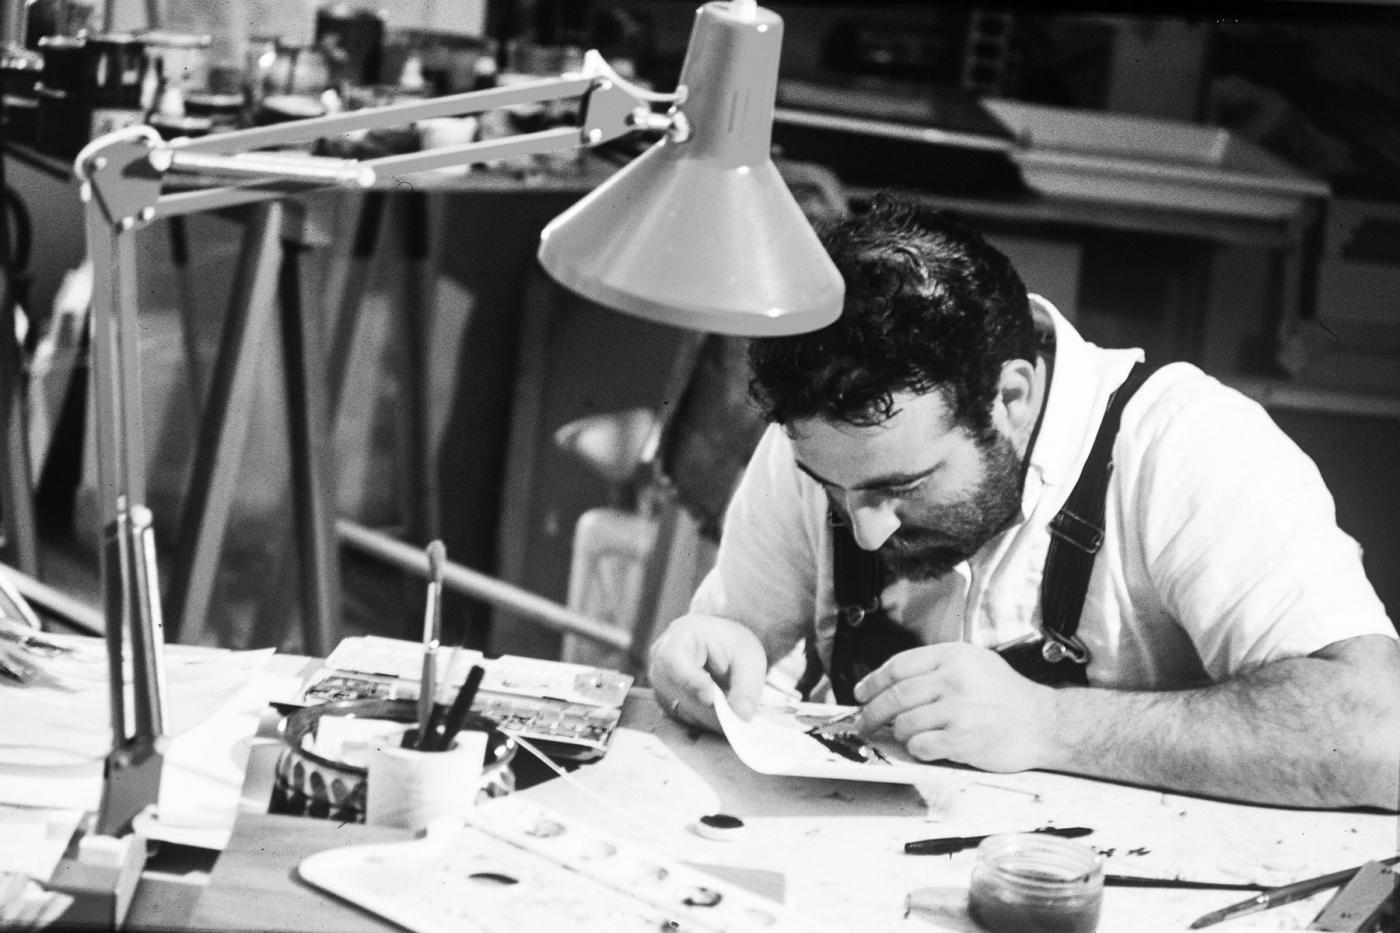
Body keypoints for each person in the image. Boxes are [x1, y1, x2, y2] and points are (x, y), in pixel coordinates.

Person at [647, 193, 1400, 811]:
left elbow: (1375, 733)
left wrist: (1050, 723)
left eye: (902, 488)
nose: (865, 531)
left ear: (1011, 396)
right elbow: (739, 639)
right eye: (833, 491)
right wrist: (706, 651)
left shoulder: (1189, 446)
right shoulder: (835, 445)